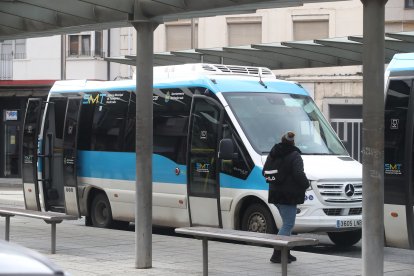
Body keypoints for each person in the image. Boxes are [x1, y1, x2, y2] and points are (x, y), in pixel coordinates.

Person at [263, 131, 309, 264]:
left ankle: (286, 252)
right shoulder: (295, 155)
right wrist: (306, 184)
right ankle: (277, 254)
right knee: (288, 224)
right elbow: (298, 173)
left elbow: (264, 171)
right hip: (288, 195)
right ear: (293, 142)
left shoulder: (273, 153)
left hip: (275, 193)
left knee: (286, 224)